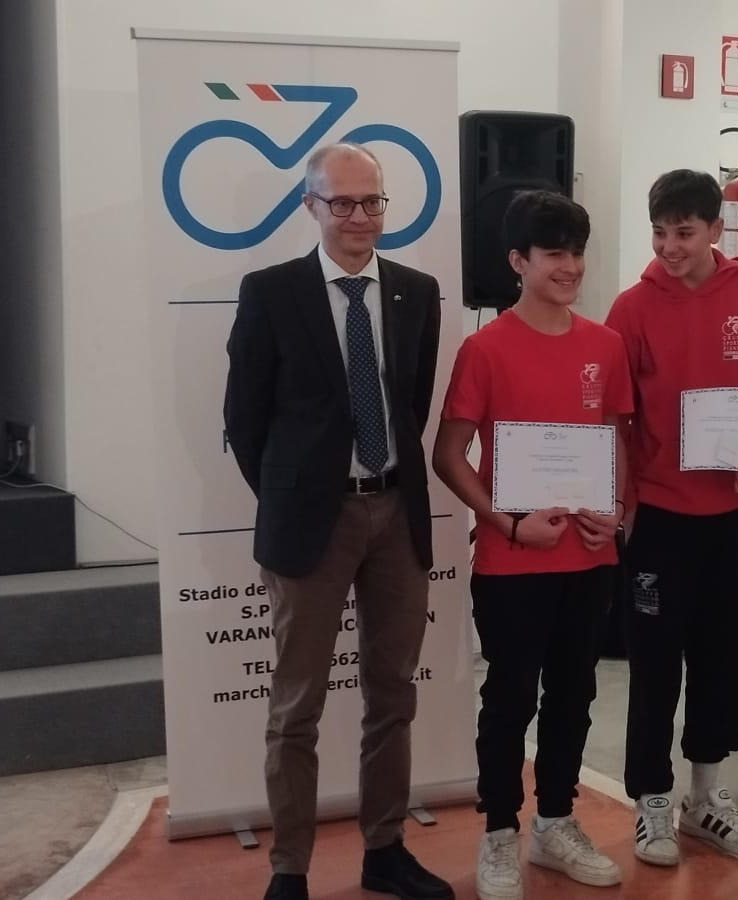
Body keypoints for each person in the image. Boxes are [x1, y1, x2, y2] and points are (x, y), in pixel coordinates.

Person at [223, 143, 452, 900]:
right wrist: (298, 495)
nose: (359, 217)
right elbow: (245, 420)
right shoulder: (271, 292)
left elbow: (411, 403)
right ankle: (289, 868)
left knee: (393, 694)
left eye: (372, 201)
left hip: (397, 513)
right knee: (298, 705)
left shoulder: (416, 292)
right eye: (342, 202)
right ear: (311, 206)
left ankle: (384, 849)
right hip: (310, 524)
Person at [434, 190, 630, 900]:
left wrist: (617, 513)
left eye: (576, 253)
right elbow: (448, 455)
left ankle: (554, 822)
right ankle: (498, 832)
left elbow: (615, 440)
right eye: (553, 254)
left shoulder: (604, 345)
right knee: (510, 698)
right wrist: (507, 522)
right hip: (513, 561)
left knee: (574, 695)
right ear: (518, 261)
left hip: (589, 558)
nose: (569, 266)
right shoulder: (484, 348)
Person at [604, 169, 738, 867]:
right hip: (657, 518)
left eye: (684, 233)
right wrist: (622, 505)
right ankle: (652, 801)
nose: (669, 247)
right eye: (659, 233)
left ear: (716, 229)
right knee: (654, 664)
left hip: (733, 517)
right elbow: (617, 418)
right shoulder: (630, 308)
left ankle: (706, 797)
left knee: (722, 655)